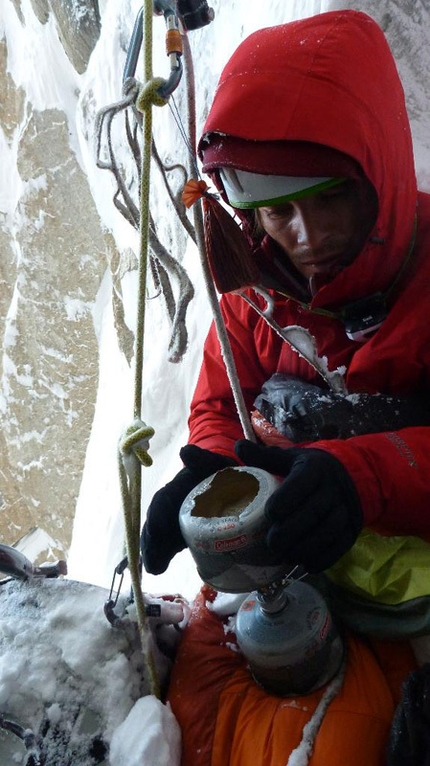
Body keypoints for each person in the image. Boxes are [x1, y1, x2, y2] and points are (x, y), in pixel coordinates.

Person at [141, 9, 430, 766]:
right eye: (274, 207)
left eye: (327, 198)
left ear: (379, 174)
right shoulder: (254, 292)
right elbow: (217, 402)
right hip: (281, 568)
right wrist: (213, 479)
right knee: (187, 720)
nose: (298, 234)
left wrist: (359, 479)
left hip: (406, 581)